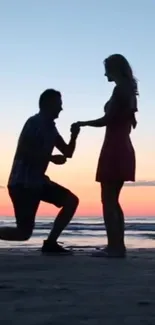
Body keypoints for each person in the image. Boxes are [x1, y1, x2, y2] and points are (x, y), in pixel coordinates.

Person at [71, 54, 138, 257]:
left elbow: (107, 120)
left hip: (114, 147)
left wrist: (83, 123)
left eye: (107, 69)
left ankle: (114, 247)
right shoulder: (129, 90)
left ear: (115, 69)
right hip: (123, 146)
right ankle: (118, 245)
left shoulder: (120, 90)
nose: (105, 73)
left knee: (108, 199)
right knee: (113, 199)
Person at [0, 89, 80, 254]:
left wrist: (74, 136)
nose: (61, 109)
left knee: (71, 201)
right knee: (23, 233)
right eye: (59, 105)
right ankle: (50, 243)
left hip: (38, 182)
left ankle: (51, 243)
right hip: (22, 183)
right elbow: (24, 151)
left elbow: (67, 152)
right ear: (48, 104)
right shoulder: (34, 123)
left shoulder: (51, 128)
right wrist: (50, 158)